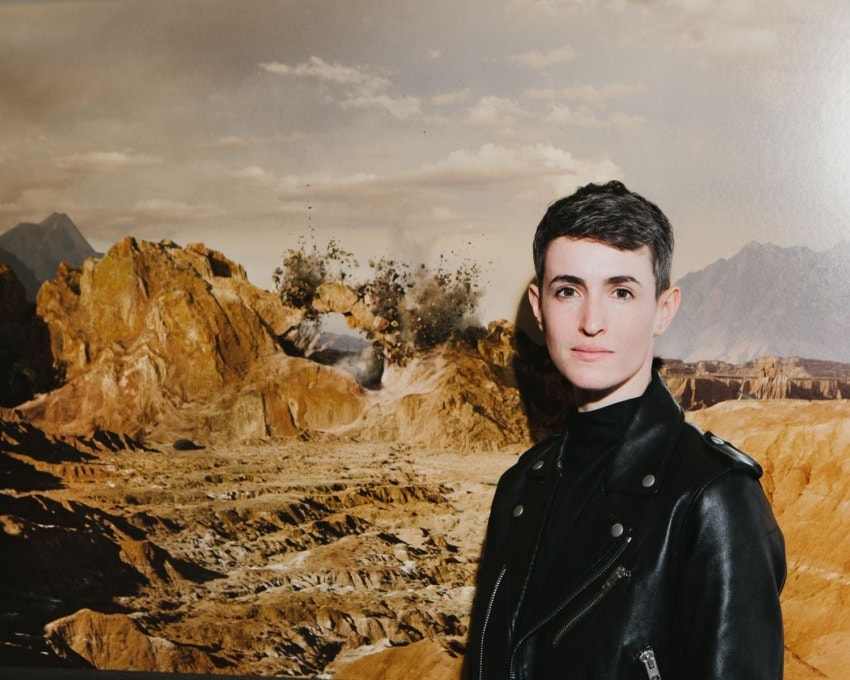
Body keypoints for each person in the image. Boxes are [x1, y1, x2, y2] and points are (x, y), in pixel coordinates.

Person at [465, 181, 785, 679]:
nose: (592, 322)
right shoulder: (521, 486)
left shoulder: (714, 499)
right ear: (538, 306)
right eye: (568, 291)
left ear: (663, 309)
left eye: (620, 291)